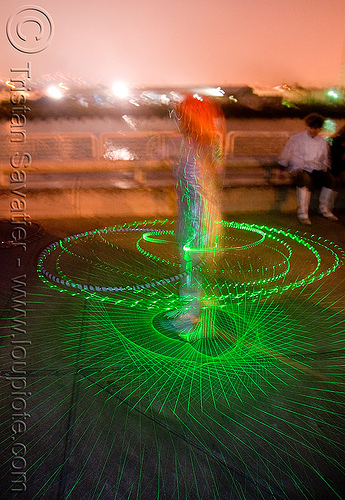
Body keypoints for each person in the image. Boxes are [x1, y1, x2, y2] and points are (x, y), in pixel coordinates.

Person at [171, 93, 225, 341]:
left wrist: (192, 229)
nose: (177, 119)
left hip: (198, 219)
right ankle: (195, 308)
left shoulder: (198, 147)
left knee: (192, 267)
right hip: (198, 215)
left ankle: (188, 319)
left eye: (181, 115)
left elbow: (198, 189)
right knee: (195, 267)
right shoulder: (202, 144)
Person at [279, 113, 338, 225]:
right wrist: (282, 169)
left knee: (330, 180)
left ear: (319, 129)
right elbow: (286, 153)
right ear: (307, 126)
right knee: (304, 180)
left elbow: (325, 158)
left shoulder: (322, 142)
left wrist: (326, 169)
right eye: (311, 127)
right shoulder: (296, 139)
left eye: (316, 128)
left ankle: (324, 208)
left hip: (316, 168)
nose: (313, 130)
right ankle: (303, 212)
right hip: (299, 168)